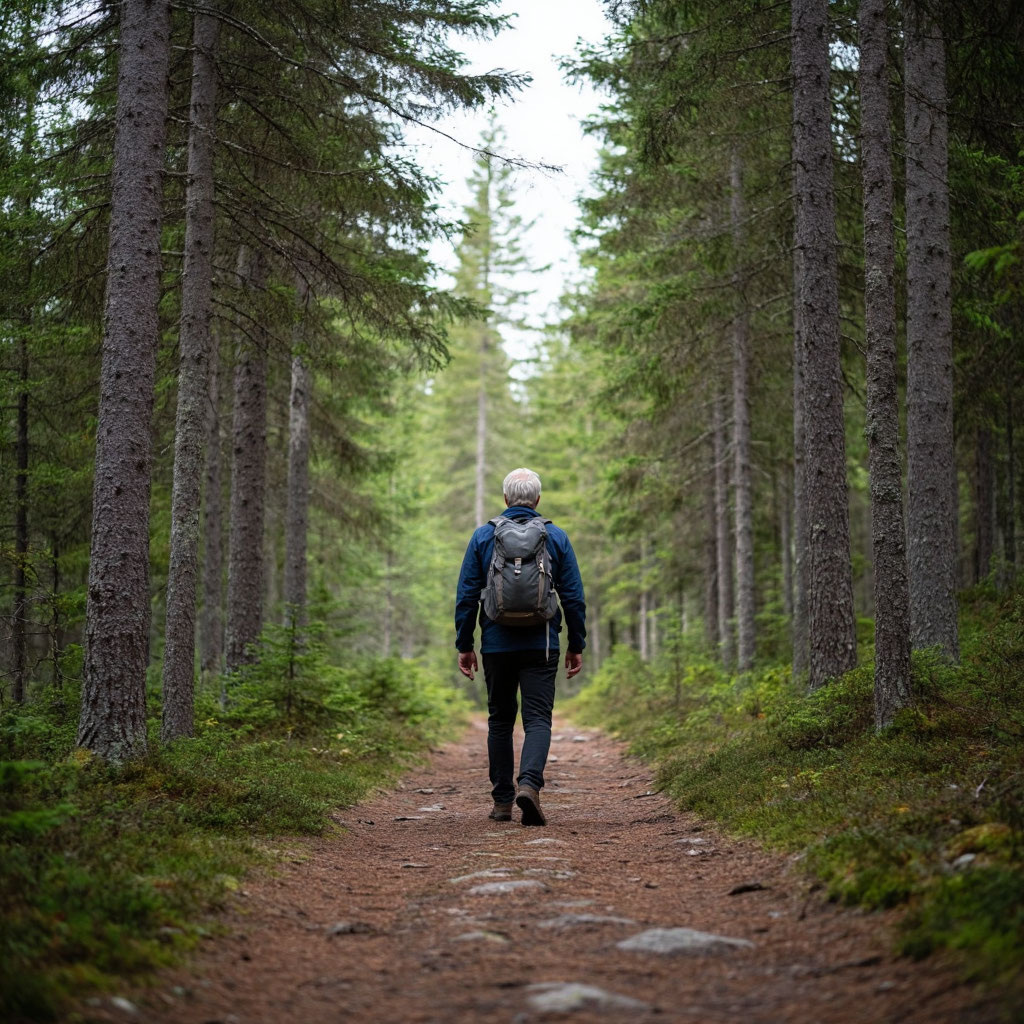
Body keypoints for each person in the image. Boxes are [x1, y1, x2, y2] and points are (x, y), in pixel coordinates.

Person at [455, 468, 586, 826]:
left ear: (505, 499)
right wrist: (576, 643)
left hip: (496, 644)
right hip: (541, 643)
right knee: (537, 718)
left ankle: (502, 802)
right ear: (538, 500)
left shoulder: (484, 536)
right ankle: (529, 785)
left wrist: (465, 644)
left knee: (500, 719)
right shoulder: (555, 536)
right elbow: (573, 597)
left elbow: (466, 596)